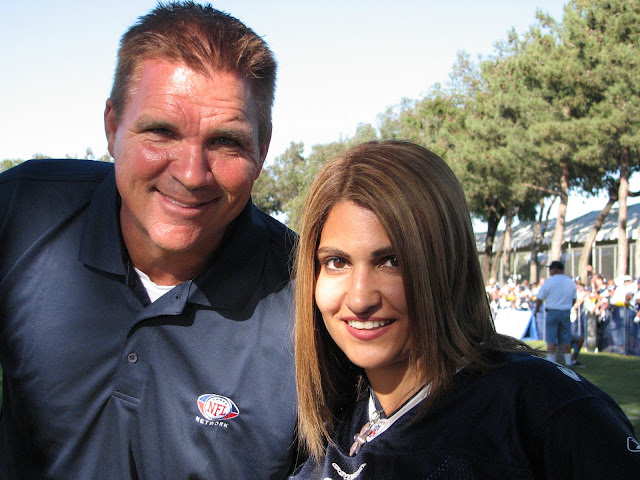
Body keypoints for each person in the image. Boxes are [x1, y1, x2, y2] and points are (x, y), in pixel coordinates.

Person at [0, 3, 298, 479]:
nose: (191, 173)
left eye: (226, 142)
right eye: (161, 132)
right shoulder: (21, 214)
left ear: (261, 151)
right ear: (113, 127)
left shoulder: (315, 303)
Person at [290, 140, 639, 479]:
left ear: (448, 264)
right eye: (337, 262)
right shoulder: (331, 417)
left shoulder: (543, 411)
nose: (360, 298)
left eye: (393, 261)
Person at [534, 261, 577, 366]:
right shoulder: (570, 281)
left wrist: (537, 309)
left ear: (556, 269)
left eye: (551, 269)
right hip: (565, 312)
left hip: (552, 312)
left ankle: (550, 363)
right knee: (566, 339)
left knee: (551, 340)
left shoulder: (549, 282)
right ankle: (568, 363)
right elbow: (574, 298)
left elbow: (540, 298)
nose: (549, 271)